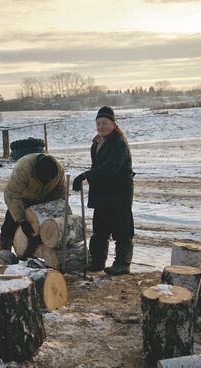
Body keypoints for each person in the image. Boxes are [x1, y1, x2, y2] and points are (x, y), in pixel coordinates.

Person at [73, 106, 135, 275]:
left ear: (114, 124)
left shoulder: (119, 143)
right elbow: (98, 167)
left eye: (105, 123)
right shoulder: (97, 143)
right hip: (102, 194)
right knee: (100, 230)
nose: (101, 126)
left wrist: (86, 176)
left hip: (118, 193)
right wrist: (88, 176)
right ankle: (97, 262)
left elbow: (111, 168)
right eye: (98, 123)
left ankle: (122, 264)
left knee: (122, 230)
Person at [0, 153, 66, 257]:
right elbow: (12, 195)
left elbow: (60, 193)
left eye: (49, 180)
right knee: (9, 225)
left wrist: (58, 211)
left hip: (44, 199)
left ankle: (31, 255)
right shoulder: (23, 169)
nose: (47, 181)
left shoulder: (58, 171)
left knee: (39, 230)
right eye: (44, 179)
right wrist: (21, 220)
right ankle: (2, 252)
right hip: (23, 198)